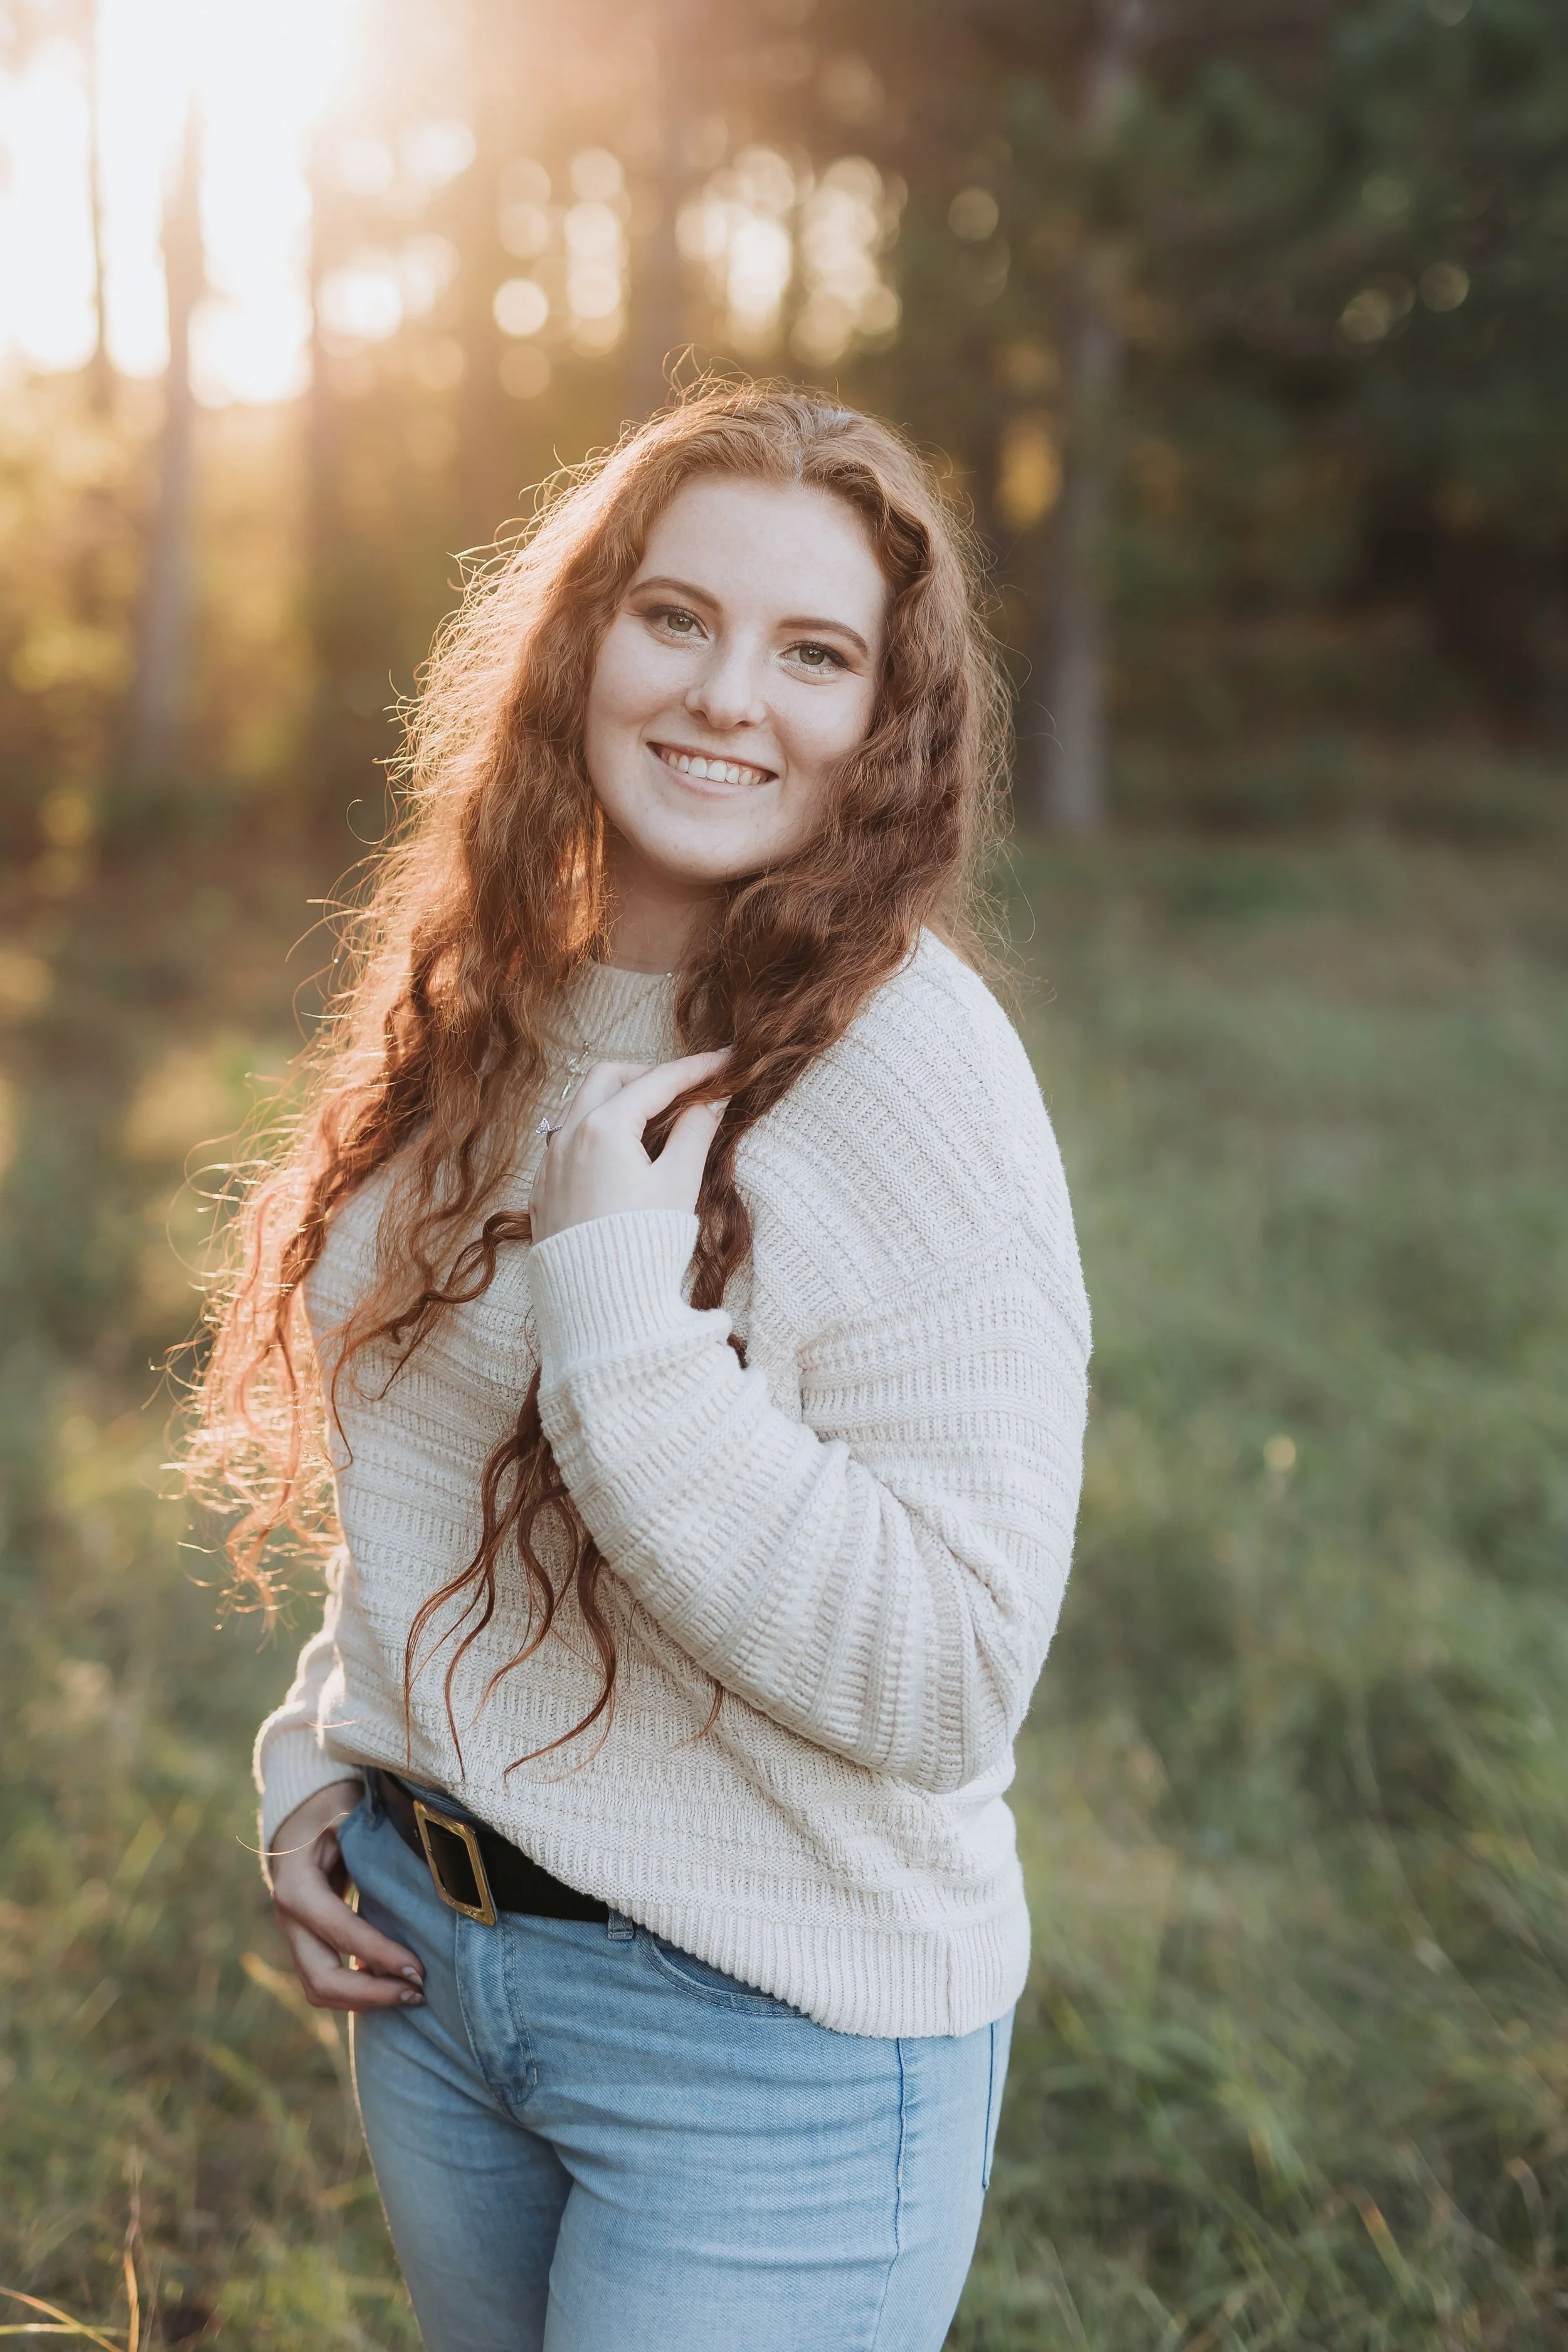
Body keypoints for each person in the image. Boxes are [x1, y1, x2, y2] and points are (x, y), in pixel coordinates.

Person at [192, 384, 1090, 2352]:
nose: (724, 697)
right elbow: (421, 1466)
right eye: (675, 616)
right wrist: (326, 1750)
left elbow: (945, 1674)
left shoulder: (905, 1067)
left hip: (763, 2030)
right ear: (585, 634)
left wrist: (622, 1306)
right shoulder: (492, 986)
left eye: (814, 653)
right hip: (437, 1979)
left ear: (886, 722)